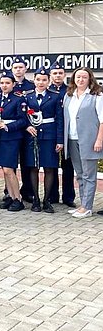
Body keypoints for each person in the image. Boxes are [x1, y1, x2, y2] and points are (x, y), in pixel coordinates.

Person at [22, 65, 64, 214]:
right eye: (38, 79)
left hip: (49, 135)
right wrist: (27, 126)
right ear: (34, 80)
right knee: (33, 167)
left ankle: (47, 200)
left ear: (48, 81)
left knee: (49, 168)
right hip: (32, 136)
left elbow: (60, 119)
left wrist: (60, 140)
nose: (41, 82)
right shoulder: (27, 96)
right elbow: (22, 116)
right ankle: (36, 200)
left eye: (44, 80)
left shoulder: (55, 96)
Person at [63, 67, 103, 219]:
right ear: (73, 79)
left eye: (84, 77)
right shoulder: (69, 96)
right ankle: (83, 204)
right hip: (72, 139)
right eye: (78, 77)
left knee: (89, 175)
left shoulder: (97, 96)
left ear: (90, 79)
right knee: (79, 174)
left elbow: (102, 120)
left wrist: (99, 139)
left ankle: (87, 207)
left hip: (89, 140)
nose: (80, 80)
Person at [0, 71, 28, 212]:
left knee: (9, 169)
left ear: (13, 84)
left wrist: (8, 126)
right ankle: (11, 197)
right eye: (2, 83)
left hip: (12, 137)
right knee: (4, 169)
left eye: (7, 83)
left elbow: (23, 120)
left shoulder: (18, 99)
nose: (4, 85)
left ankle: (18, 199)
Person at [48, 60, 76, 208]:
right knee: (52, 165)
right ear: (50, 75)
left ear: (64, 74)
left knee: (68, 166)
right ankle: (52, 195)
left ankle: (68, 197)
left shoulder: (71, 90)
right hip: (52, 133)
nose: (57, 76)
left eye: (60, 73)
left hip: (68, 133)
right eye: (55, 73)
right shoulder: (47, 91)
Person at [11, 56, 36, 202]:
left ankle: (27, 190)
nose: (18, 70)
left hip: (27, 130)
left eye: (21, 67)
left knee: (27, 162)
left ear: (25, 69)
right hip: (13, 130)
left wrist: (28, 125)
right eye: (15, 67)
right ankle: (10, 191)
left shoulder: (31, 86)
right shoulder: (8, 84)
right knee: (11, 162)